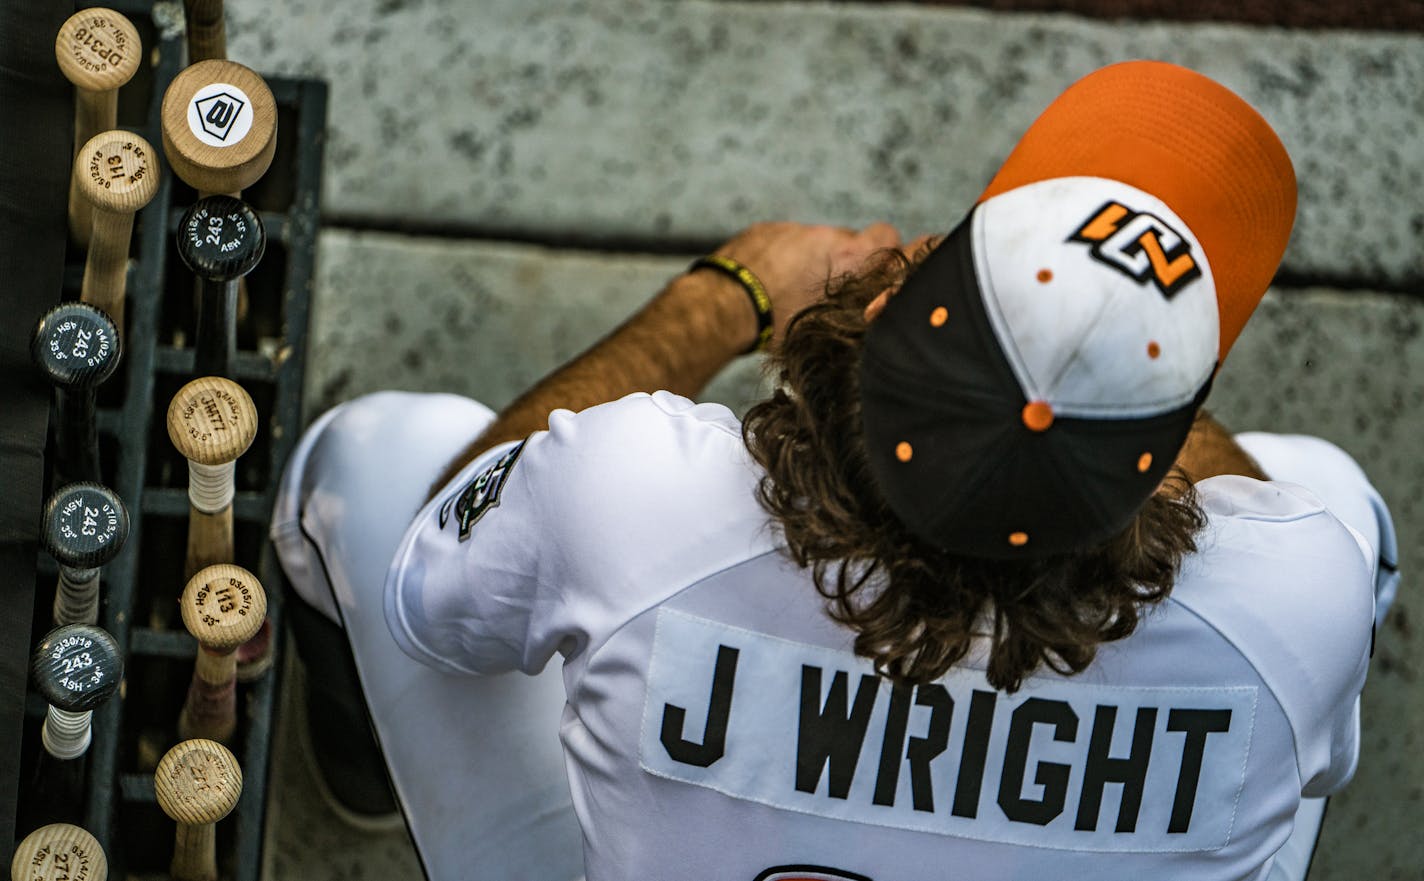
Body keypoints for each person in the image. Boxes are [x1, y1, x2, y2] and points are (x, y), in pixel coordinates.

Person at [271, 60, 1398, 881]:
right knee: (1331, 493)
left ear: (884, 307)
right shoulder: (1295, 600)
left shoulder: (639, 498)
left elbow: (434, 574)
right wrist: (1123, 391)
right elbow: (1295, 729)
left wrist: (738, 287)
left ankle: (356, 763)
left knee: (378, 452)